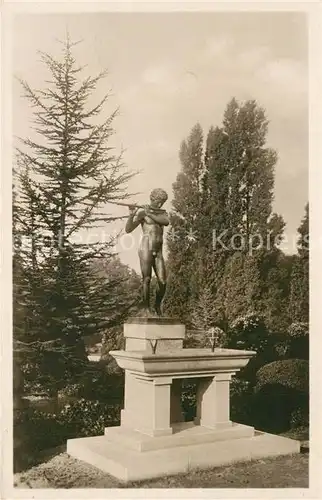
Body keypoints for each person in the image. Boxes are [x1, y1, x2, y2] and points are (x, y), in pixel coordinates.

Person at [125, 188, 169, 316]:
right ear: (152, 199)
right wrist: (132, 214)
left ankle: (157, 306)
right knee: (147, 279)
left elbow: (165, 222)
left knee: (163, 282)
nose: (160, 204)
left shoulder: (161, 213)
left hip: (158, 251)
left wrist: (148, 213)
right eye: (158, 201)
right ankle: (145, 307)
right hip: (146, 247)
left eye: (162, 202)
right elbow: (128, 229)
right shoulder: (142, 212)